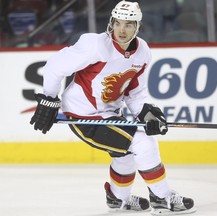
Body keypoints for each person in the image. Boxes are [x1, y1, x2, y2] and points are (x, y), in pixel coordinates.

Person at [30, 1, 195, 215]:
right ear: (111, 23)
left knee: (125, 154)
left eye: (128, 24)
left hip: (110, 113)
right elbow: (54, 67)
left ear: (137, 26)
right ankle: (162, 198)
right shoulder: (95, 45)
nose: (122, 30)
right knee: (143, 143)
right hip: (83, 115)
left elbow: (134, 92)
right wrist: (49, 99)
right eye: (117, 23)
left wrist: (146, 112)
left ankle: (118, 199)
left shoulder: (142, 52)